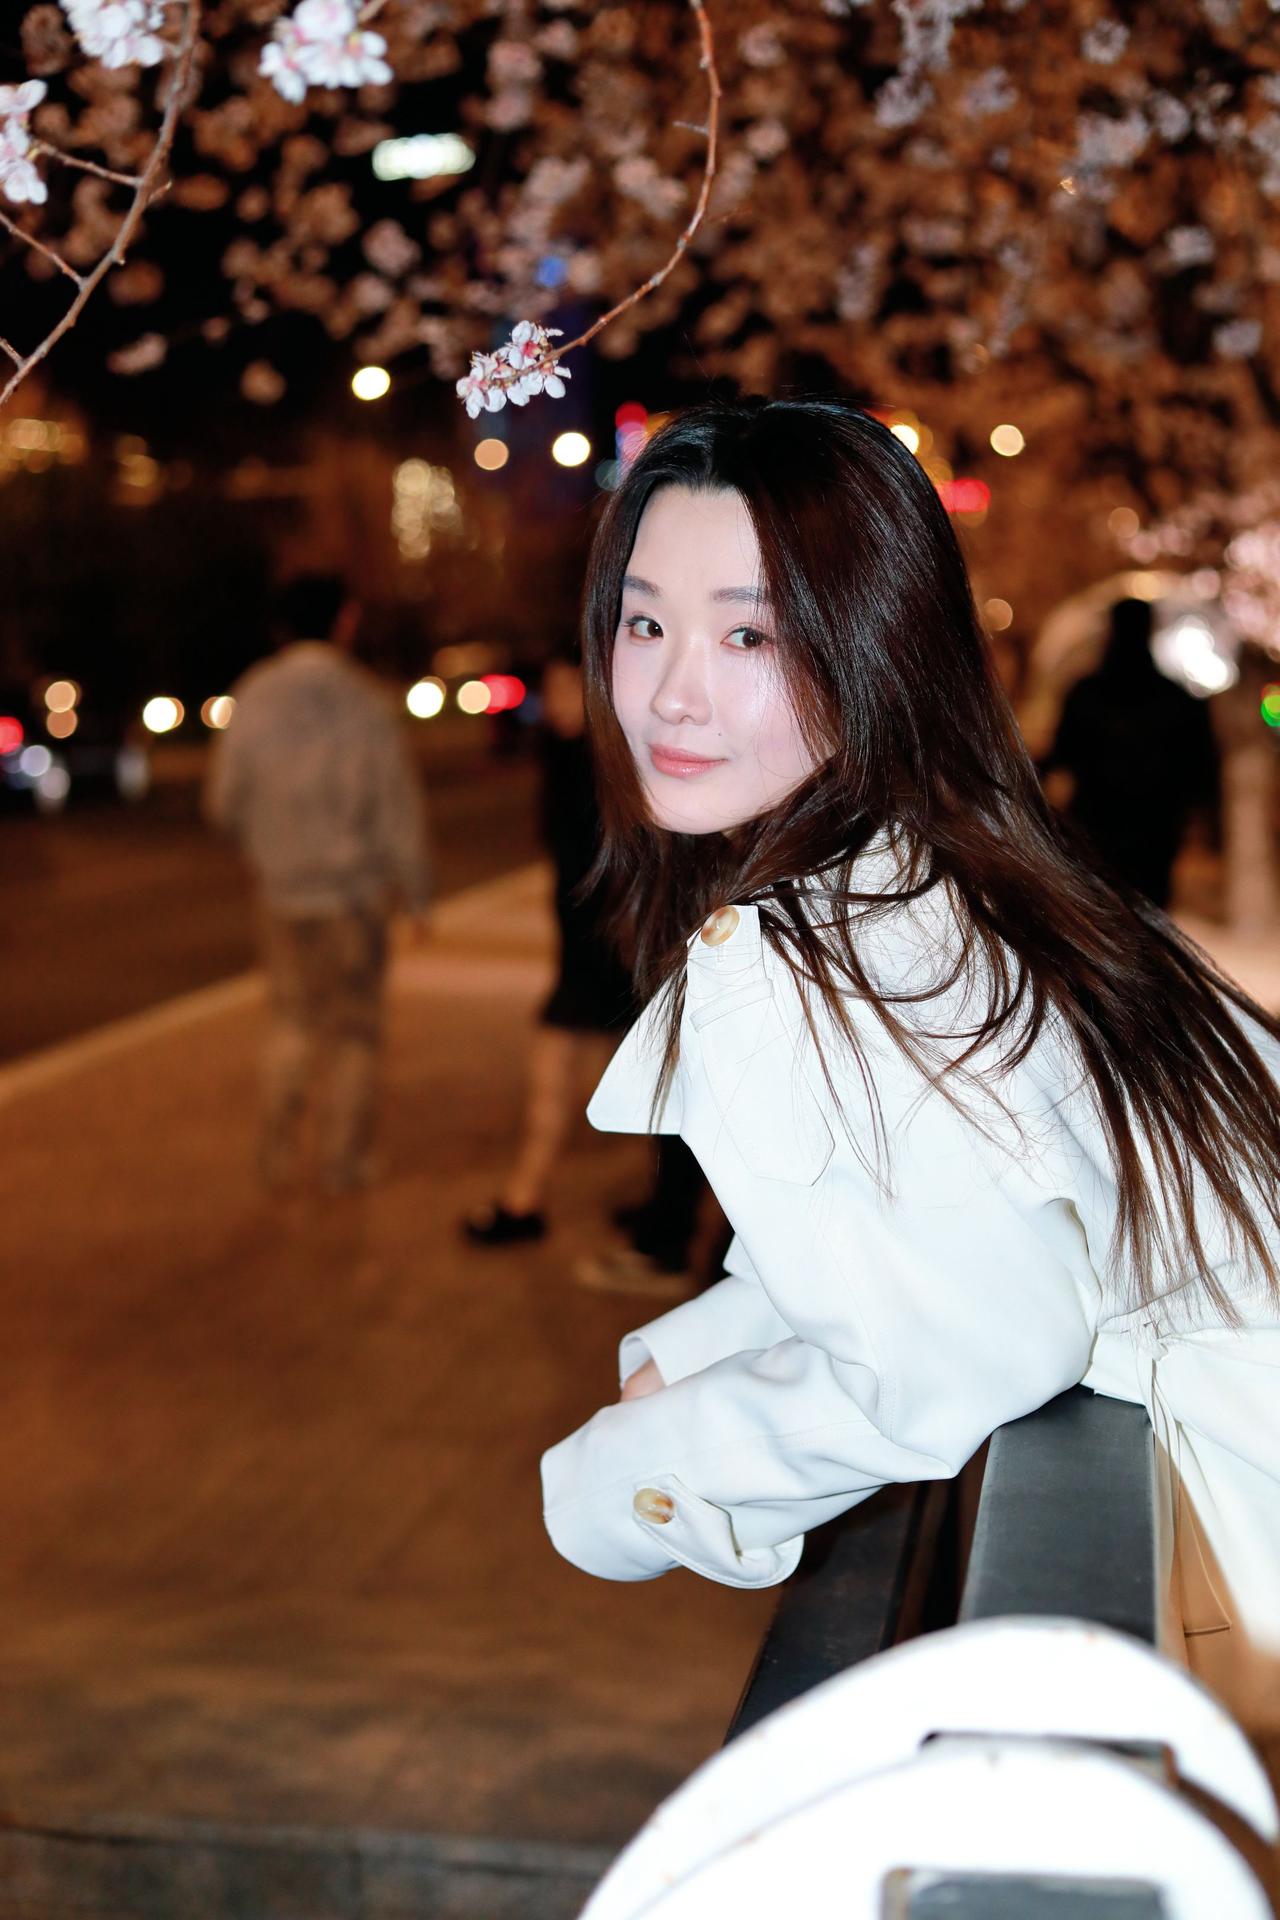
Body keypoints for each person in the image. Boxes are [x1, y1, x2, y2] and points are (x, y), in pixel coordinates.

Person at [540, 399, 1280, 1739]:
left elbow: (963, 1352)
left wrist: (614, 1485)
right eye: (643, 625)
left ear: (873, 644)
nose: (670, 692)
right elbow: (929, 1214)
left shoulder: (809, 962)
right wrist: (701, 1350)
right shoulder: (947, 883)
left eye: (750, 635)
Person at [205, 574, 431, 1192]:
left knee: (290, 1021)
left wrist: (266, 845)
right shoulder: (364, 700)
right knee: (354, 1032)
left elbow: (222, 803)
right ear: (344, 621)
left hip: (281, 895)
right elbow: (397, 807)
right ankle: (342, 1163)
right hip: (353, 898)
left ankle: (277, 1156)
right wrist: (416, 892)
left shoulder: (254, 695)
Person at [466, 655, 639, 1246]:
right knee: (639, 1081)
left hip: (615, 944)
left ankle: (526, 1200)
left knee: (572, 1073)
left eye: (573, 687)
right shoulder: (562, 756)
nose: (560, 701)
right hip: (582, 944)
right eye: (553, 688)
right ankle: (659, 1209)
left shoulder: (614, 763)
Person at [1042, 596, 1219, 908]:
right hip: (1153, 828)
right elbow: (1200, 767)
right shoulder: (1175, 699)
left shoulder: (1087, 694)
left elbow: (1063, 752)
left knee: (1102, 913)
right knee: (1145, 914)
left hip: (1099, 824)